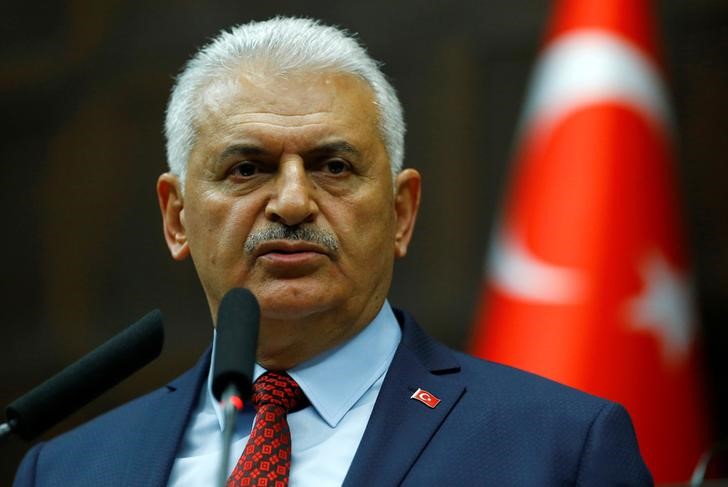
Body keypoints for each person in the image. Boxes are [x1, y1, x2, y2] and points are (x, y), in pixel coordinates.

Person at [13, 17, 652, 486]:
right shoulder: (68, 469)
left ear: (401, 213)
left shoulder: (558, 448)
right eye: (246, 168)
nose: (292, 201)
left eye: (334, 166)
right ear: (177, 218)